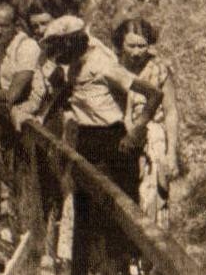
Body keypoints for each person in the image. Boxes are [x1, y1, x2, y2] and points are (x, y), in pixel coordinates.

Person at [36, 14, 163, 203]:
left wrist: (136, 130)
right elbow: (72, 88)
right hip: (87, 137)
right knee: (86, 204)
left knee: (119, 204)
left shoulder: (103, 65)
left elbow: (154, 94)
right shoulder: (77, 63)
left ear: (73, 44)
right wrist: (45, 115)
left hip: (112, 139)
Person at [112, 13, 180, 231]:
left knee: (152, 198)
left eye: (142, 46)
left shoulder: (159, 69)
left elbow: (170, 111)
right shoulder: (113, 68)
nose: (136, 52)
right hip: (120, 138)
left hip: (153, 140)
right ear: (120, 43)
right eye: (131, 45)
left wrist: (171, 153)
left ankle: (151, 257)